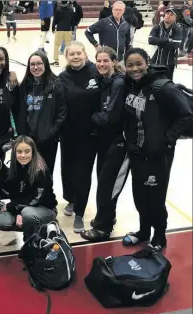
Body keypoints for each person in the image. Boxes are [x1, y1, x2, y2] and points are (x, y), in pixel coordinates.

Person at [122, 48, 193, 250]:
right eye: (130, 65)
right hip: (137, 152)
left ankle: (159, 236)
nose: (135, 69)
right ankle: (144, 231)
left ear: (148, 63)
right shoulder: (131, 85)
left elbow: (187, 115)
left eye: (139, 64)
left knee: (156, 197)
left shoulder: (162, 87)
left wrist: (167, 139)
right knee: (140, 195)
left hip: (157, 155)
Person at [80, 47, 129, 242]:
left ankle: (103, 228)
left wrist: (90, 117)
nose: (101, 64)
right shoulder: (104, 80)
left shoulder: (118, 82)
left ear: (114, 61)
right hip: (105, 140)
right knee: (104, 181)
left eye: (105, 61)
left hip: (120, 141)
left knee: (108, 185)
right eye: (98, 61)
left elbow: (110, 116)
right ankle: (107, 216)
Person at [57, 41, 101, 232]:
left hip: (90, 135)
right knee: (67, 170)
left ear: (85, 54)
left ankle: (80, 212)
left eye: (78, 53)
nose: (75, 57)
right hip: (68, 134)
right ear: (66, 57)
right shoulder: (62, 77)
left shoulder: (96, 73)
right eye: (71, 54)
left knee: (83, 173)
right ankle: (71, 200)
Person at [0, 136, 58, 239]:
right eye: (19, 152)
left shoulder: (40, 171)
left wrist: (14, 208)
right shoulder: (15, 166)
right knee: (1, 222)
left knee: (27, 214)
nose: (23, 155)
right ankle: (31, 225)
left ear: (33, 152)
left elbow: (35, 200)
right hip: (22, 206)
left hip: (44, 208)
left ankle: (42, 226)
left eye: (27, 151)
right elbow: (11, 192)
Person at [17, 50, 66, 177]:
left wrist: (52, 132)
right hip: (28, 139)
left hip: (47, 140)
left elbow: (62, 113)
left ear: (46, 65)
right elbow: (19, 112)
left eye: (39, 63)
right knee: (27, 173)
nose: (36, 67)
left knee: (45, 173)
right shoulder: (25, 86)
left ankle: (46, 197)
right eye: (32, 64)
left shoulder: (56, 85)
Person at [148, 7, 182, 80]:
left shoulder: (177, 29)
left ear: (175, 18)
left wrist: (158, 42)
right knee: (153, 82)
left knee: (167, 83)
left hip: (169, 62)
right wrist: (167, 40)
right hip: (155, 60)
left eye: (171, 14)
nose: (167, 16)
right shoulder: (157, 27)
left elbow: (175, 45)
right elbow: (150, 40)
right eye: (167, 13)